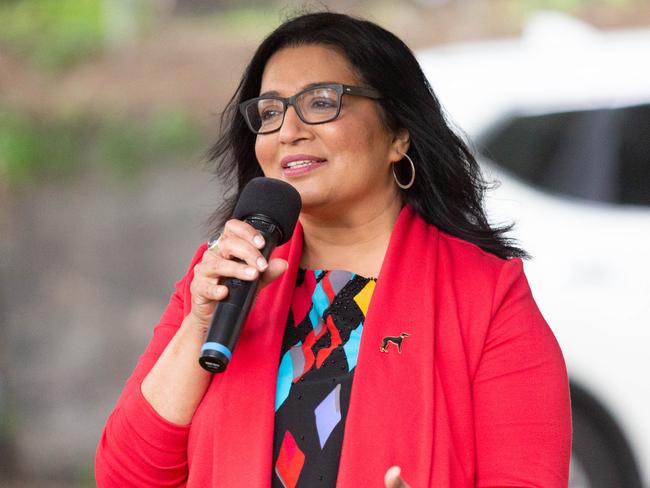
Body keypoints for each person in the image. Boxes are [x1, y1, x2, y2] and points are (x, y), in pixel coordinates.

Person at [95, 12, 571, 488]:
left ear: (397, 132)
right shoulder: (221, 280)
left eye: (321, 102)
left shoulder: (486, 296)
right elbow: (126, 476)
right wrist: (199, 324)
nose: (288, 131)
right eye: (270, 112)